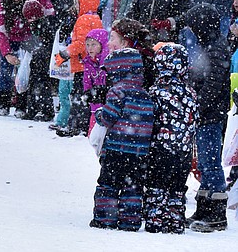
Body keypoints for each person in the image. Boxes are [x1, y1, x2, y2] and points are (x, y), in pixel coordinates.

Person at [89, 47, 154, 231]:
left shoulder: (117, 91)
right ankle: (130, 221)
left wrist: (100, 113)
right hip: (139, 152)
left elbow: (109, 117)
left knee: (108, 184)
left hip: (117, 149)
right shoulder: (145, 94)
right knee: (132, 187)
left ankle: (105, 219)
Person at [182, 2, 231, 232]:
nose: (192, 30)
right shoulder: (207, 46)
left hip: (211, 115)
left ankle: (216, 213)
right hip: (205, 114)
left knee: (211, 163)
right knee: (203, 162)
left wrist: (197, 106)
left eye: (194, 26)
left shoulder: (216, 48)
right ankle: (203, 208)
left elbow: (213, 84)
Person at [144, 42, 196, 234]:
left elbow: (151, 117)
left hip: (160, 148)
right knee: (177, 186)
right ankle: (175, 220)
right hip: (183, 150)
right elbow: (195, 118)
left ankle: (155, 219)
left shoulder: (156, 91)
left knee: (157, 184)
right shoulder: (189, 92)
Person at [53, 0, 103, 137]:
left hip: (82, 64)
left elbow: (81, 43)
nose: (75, 7)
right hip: (90, 64)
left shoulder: (83, 20)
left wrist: (65, 53)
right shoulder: (96, 18)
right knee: (86, 96)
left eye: (77, 3)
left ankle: (76, 125)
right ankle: (84, 124)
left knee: (78, 96)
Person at [80, 28, 111, 135]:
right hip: (94, 106)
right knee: (93, 136)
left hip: (107, 106)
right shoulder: (88, 62)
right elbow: (86, 82)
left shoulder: (106, 61)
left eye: (93, 44)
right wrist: (87, 96)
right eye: (87, 45)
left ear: (102, 44)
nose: (90, 48)